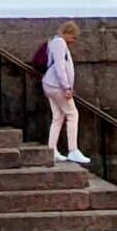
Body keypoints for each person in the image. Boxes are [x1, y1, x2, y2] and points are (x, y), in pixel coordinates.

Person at [41, 21, 87, 166]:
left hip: (51, 84)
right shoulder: (60, 43)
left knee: (58, 116)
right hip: (57, 86)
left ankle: (52, 149)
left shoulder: (54, 42)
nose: (74, 40)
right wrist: (66, 87)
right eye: (73, 37)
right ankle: (73, 150)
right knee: (73, 114)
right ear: (67, 33)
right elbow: (60, 66)